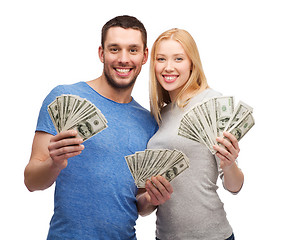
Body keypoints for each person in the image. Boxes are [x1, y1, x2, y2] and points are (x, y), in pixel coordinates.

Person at [24, 15, 158, 240]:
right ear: (101, 53)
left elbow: (140, 204)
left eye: (133, 50)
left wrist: (153, 200)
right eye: (114, 49)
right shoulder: (63, 97)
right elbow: (31, 181)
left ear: (144, 56)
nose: (123, 59)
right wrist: (54, 163)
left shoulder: (149, 123)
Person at [136, 28, 244, 240]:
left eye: (178, 58)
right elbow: (144, 207)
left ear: (191, 63)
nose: (168, 67)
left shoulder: (211, 103)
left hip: (213, 235)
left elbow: (234, 187)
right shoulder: (159, 116)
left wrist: (230, 164)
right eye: (161, 59)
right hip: (164, 236)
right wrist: (151, 197)